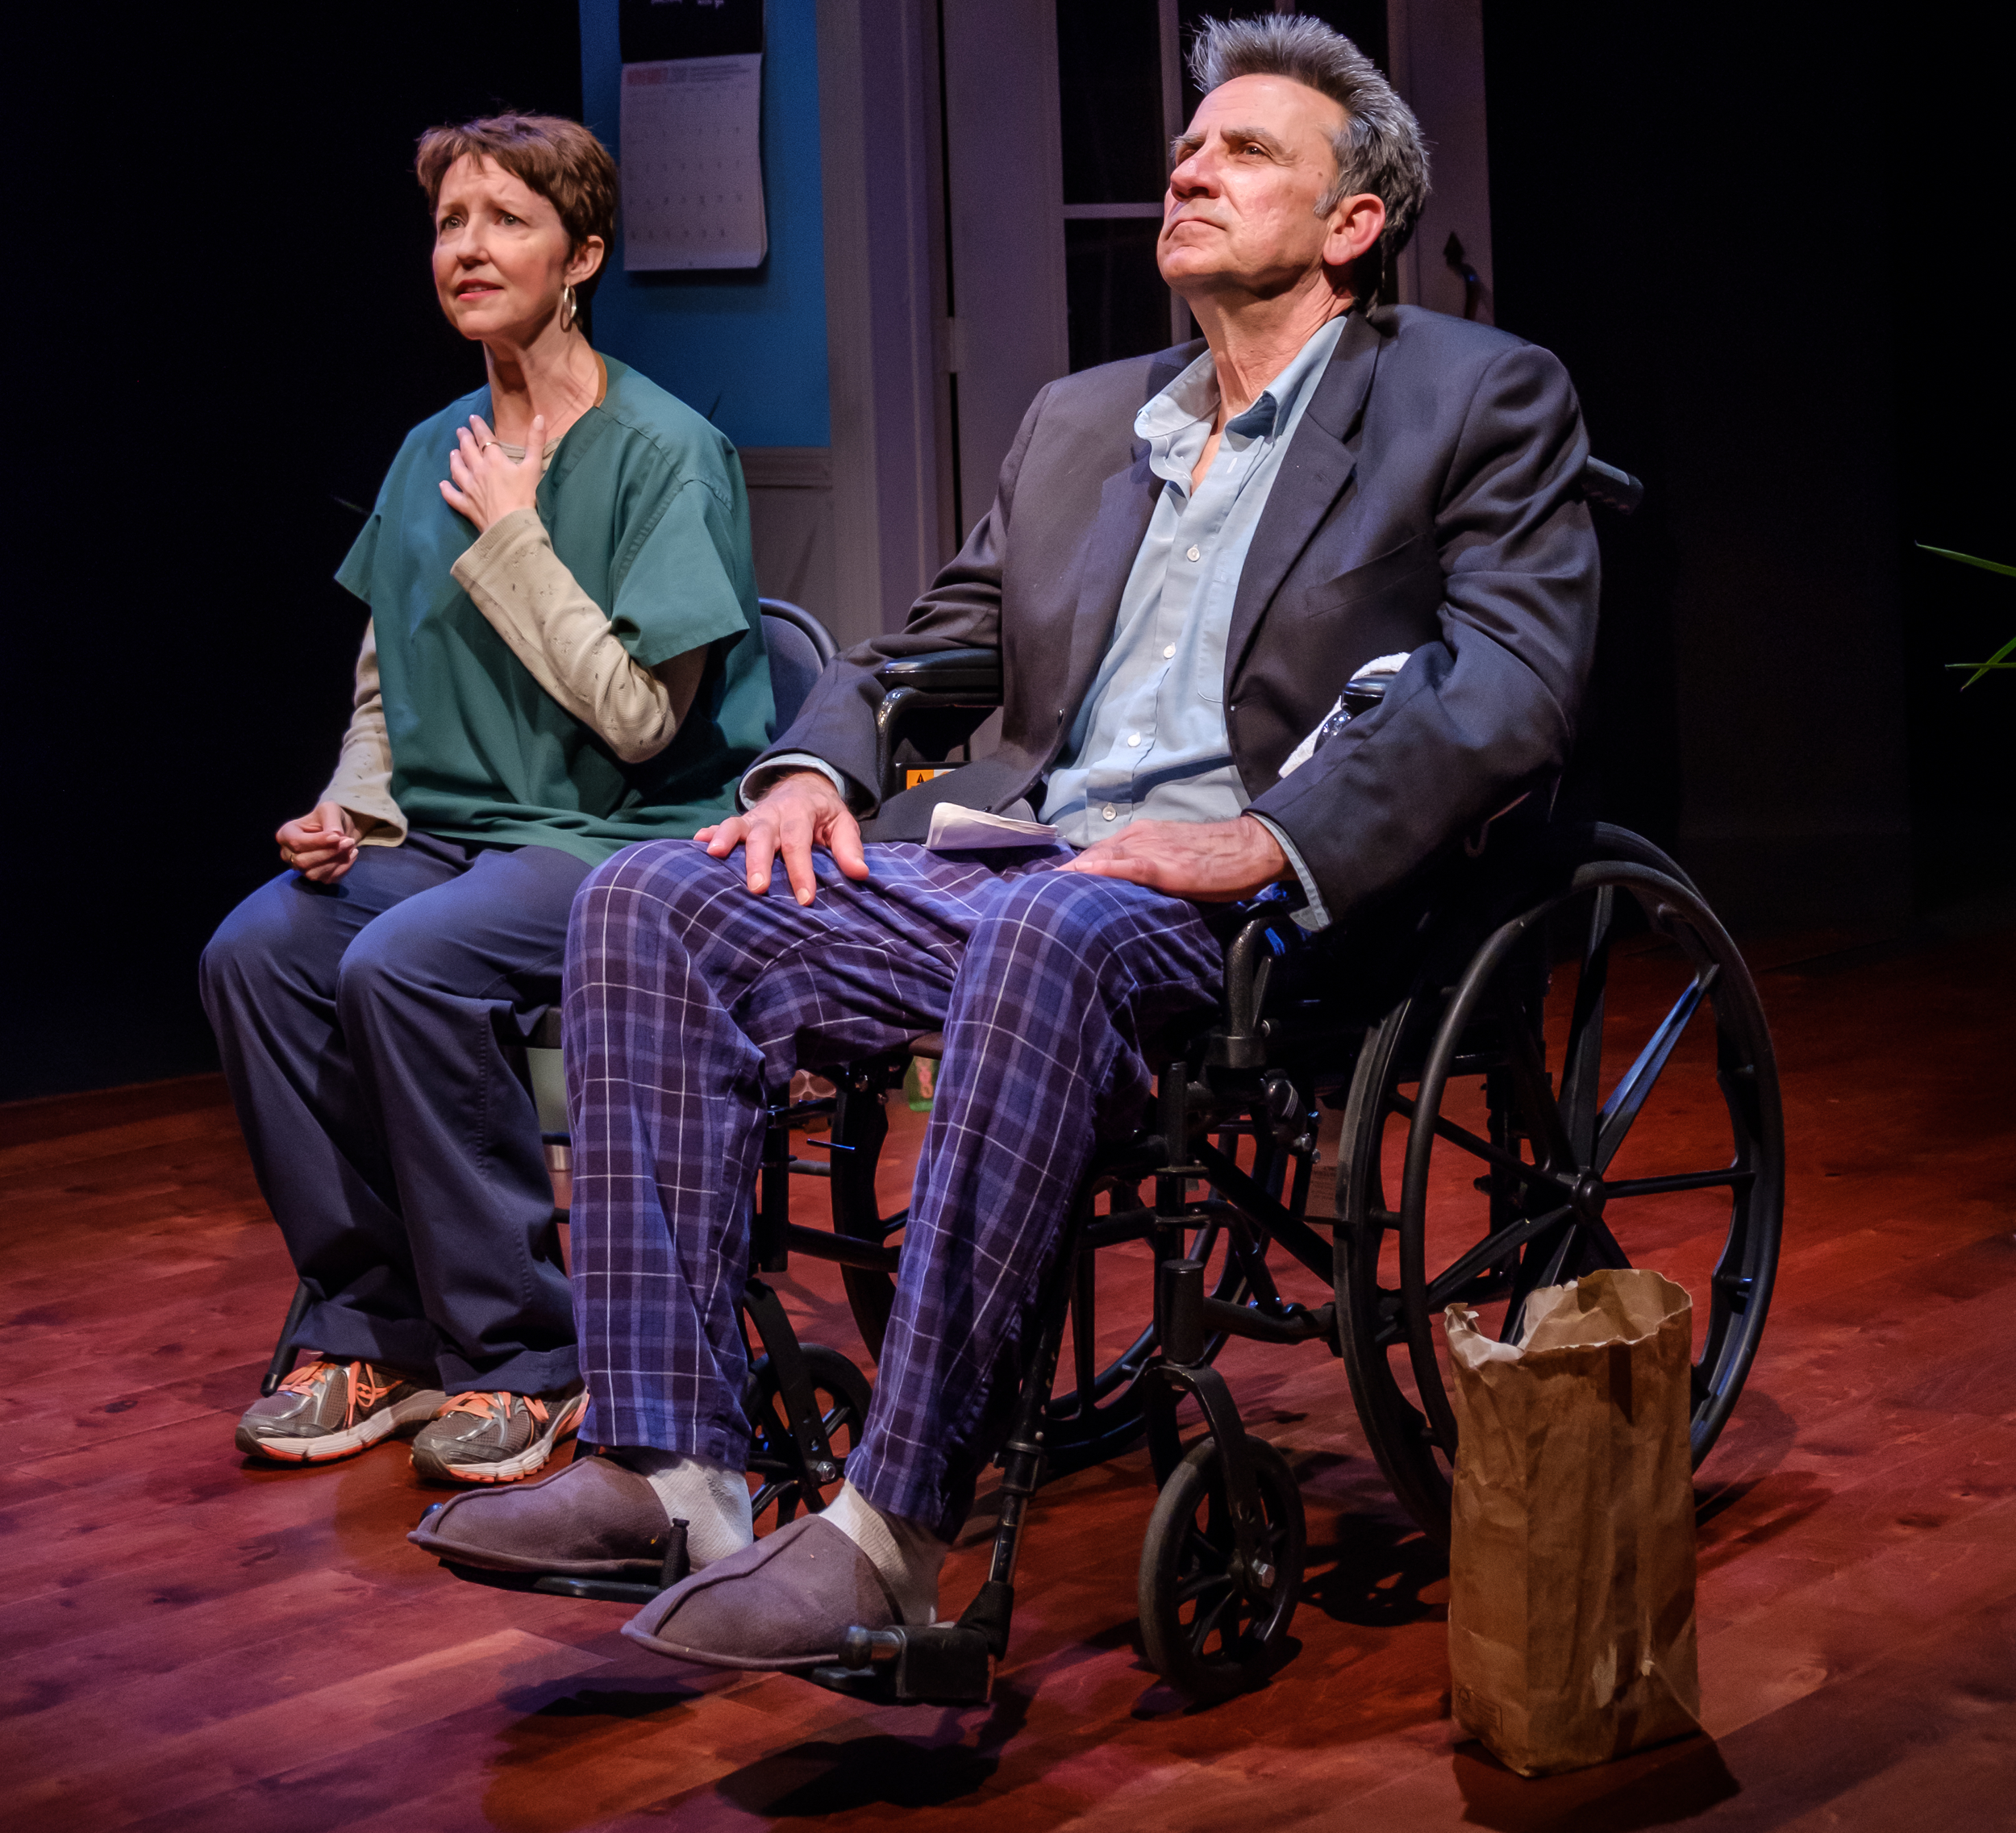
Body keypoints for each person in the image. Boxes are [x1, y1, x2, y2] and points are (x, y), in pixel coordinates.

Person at [414, 17, 1596, 1656]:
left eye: (1247, 150)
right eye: (1188, 143)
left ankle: (890, 1531)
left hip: (1267, 906)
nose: (1187, 164)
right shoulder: (1081, 420)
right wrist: (811, 772)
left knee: (1058, 925)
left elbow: (1508, 684)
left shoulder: (1476, 395)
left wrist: (1265, 841)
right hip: (1041, 866)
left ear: (1351, 223)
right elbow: (915, 659)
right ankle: (671, 1466)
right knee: (648, 899)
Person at [202, 113, 773, 1485]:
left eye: (506, 220)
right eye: (452, 223)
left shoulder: (663, 451)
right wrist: (352, 807)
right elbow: (385, 687)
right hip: (449, 837)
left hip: (622, 843)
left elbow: (644, 725)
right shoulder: (428, 447)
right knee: (261, 953)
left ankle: (526, 1355)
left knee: (408, 966)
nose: (467, 248)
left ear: (581, 254)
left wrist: (517, 537)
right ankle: (374, 1325)